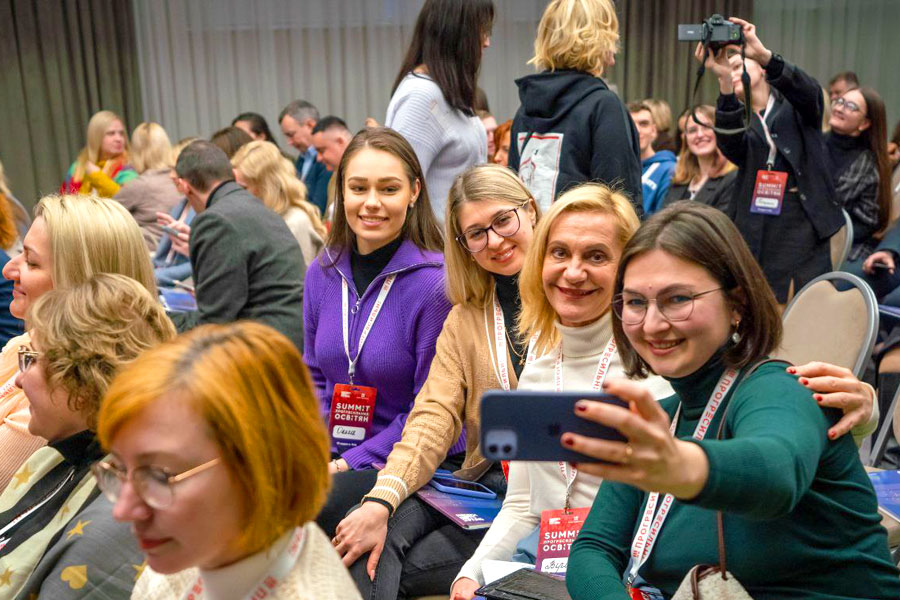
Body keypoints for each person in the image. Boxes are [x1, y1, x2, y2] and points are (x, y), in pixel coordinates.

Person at [565, 202, 900, 599]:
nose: (651, 324)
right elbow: (593, 549)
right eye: (636, 302)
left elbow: (775, 474)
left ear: (737, 304)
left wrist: (682, 465)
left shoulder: (781, 388)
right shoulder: (667, 417)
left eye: (677, 299)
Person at [449, 185, 671, 600]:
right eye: (560, 253)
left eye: (596, 256)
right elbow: (522, 507)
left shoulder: (657, 372)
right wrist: (469, 575)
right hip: (542, 565)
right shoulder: (538, 372)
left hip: (625, 576)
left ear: (628, 268)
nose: (573, 272)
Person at [332, 164, 539, 599]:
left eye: (503, 220)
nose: (495, 241)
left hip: (546, 500)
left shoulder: (569, 299)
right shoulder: (466, 318)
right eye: (476, 233)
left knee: (390, 566)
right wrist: (382, 498)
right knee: (365, 529)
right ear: (464, 247)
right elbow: (432, 417)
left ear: (532, 211)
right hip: (482, 484)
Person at [95, 321, 362, 600]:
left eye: (159, 476)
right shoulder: (202, 550)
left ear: (260, 471)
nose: (122, 511)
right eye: (119, 468)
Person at [304, 128, 454, 534]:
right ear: (342, 192)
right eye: (359, 188)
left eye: (389, 189)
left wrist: (346, 463)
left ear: (414, 192)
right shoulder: (321, 272)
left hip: (402, 460)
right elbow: (313, 373)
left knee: (305, 507)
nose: (372, 202)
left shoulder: (436, 285)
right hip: (333, 452)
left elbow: (429, 409)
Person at [0, 274, 174, 599]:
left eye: (32, 361)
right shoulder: (59, 454)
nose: (21, 380)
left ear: (83, 381)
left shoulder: (115, 518)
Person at [0, 194, 157, 490]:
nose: (8, 270)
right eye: (20, 253)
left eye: (31, 262)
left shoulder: (62, 393)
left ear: (80, 285)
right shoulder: (25, 343)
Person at [702, 17, 843, 303]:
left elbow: (810, 91)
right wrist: (724, 81)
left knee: (800, 303)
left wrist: (764, 55)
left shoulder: (797, 107)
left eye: (739, 65)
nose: (733, 71)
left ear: (762, 70)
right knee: (753, 299)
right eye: (729, 68)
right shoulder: (743, 117)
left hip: (800, 219)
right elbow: (731, 147)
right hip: (755, 217)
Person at [167, 141, 306, 349]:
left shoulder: (215, 220)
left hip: (265, 347)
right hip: (289, 339)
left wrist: (158, 320)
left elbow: (213, 323)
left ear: (184, 186)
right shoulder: (257, 207)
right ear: (231, 174)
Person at [509, 0, 641, 213]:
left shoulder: (525, 109)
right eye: (611, 37)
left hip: (535, 233)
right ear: (598, 39)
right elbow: (619, 204)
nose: (613, 54)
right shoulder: (603, 107)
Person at [385, 0, 492, 223]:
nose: (486, 42)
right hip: (435, 243)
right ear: (456, 32)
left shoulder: (447, 93)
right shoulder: (421, 96)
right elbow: (397, 191)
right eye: (481, 29)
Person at [231, 140, 326, 264]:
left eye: (243, 188)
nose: (236, 194)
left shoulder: (295, 222)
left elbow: (299, 275)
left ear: (266, 186)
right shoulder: (256, 219)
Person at [826, 87, 892, 266]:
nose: (839, 108)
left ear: (864, 124)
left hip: (846, 248)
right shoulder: (813, 142)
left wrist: (828, 235)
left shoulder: (869, 165)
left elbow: (867, 225)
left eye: (851, 106)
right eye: (840, 101)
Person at [113, 122, 182, 251]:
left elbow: (102, 216)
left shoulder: (141, 185)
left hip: (149, 254)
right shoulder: (179, 178)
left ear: (137, 151)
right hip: (175, 253)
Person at [662, 105, 737, 215]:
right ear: (685, 139)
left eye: (706, 127)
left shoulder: (732, 179)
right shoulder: (680, 179)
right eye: (692, 130)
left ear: (720, 131)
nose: (700, 135)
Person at [153, 137, 199, 288]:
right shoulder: (181, 205)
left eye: (175, 169)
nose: (171, 175)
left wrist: (151, 276)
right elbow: (163, 259)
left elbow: (199, 264)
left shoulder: (204, 210)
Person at [61, 110, 138, 197]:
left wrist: (97, 176)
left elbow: (127, 198)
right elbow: (64, 202)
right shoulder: (77, 167)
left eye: (121, 133)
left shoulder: (130, 165)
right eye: (111, 133)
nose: (118, 139)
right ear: (96, 137)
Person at [280, 99, 332, 215]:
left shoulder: (327, 160)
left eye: (291, 135)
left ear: (310, 125)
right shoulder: (301, 159)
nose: (289, 142)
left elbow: (318, 209)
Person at [629, 102, 676, 215]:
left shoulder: (668, 169)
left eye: (643, 124)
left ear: (654, 131)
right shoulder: (618, 167)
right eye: (631, 125)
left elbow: (664, 217)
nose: (637, 130)